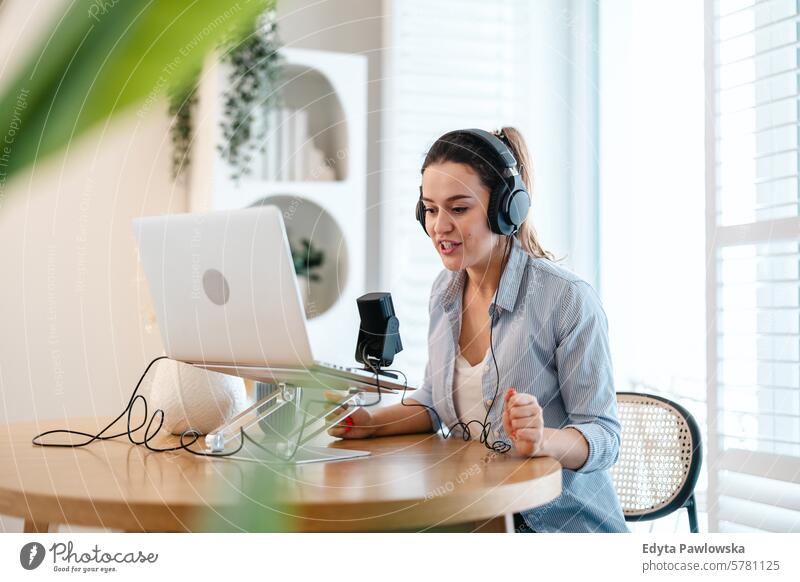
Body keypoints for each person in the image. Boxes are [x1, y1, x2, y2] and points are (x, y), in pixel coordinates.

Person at [327, 127, 628, 533]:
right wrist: (364, 423)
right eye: (431, 210)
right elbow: (434, 402)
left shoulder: (566, 299)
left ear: (506, 209)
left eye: (459, 208)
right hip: (474, 512)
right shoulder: (445, 292)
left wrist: (543, 440)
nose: (439, 226)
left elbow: (604, 435)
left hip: (554, 525)